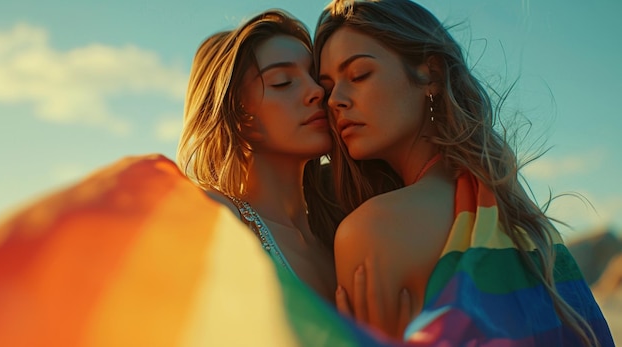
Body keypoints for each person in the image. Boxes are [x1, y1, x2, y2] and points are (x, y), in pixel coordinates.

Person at [313, 0, 615, 345]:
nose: (336, 99)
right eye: (327, 87)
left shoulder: (370, 232)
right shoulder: (514, 209)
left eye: (359, 75)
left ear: (432, 75)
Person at [176, 9, 344, 303]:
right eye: (283, 81)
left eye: (315, 77)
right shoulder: (218, 220)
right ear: (239, 114)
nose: (317, 91)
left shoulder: (339, 231)